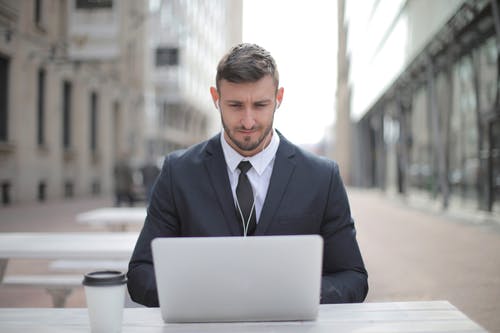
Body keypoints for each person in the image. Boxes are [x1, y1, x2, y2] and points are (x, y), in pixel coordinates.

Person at [127, 43, 368, 306]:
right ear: (215, 98)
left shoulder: (322, 178)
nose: (248, 121)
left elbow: (353, 277)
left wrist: (296, 294)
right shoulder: (178, 173)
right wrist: (204, 294)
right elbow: (140, 274)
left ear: (279, 98)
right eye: (235, 105)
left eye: (261, 105)